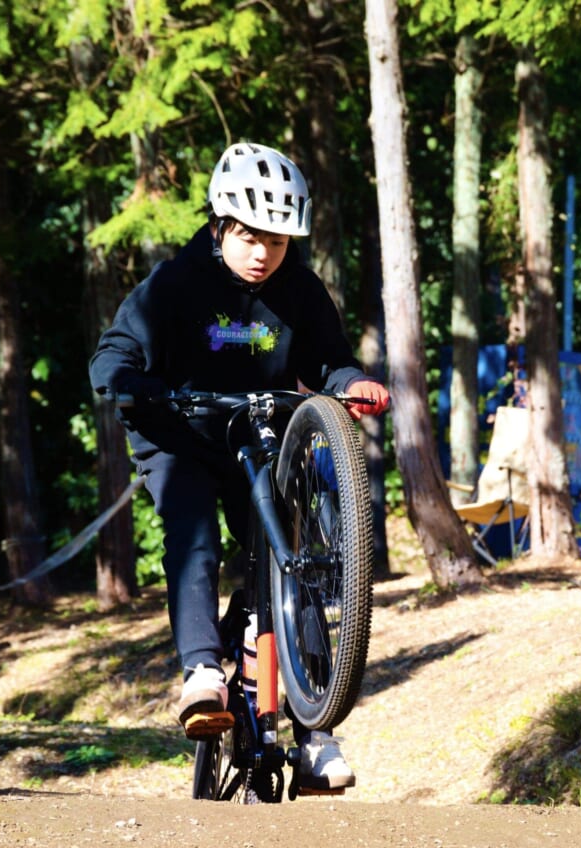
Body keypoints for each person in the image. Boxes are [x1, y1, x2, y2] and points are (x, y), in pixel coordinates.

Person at [89, 142, 390, 791]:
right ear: (221, 225)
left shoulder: (299, 290)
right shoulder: (174, 285)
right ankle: (202, 672)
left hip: (261, 436)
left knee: (296, 558)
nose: (263, 254)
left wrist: (353, 382)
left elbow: (331, 361)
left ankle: (314, 730)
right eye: (251, 238)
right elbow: (114, 354)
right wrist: (128, 382)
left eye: (278, 242)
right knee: (193, 537)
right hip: (181, 435)